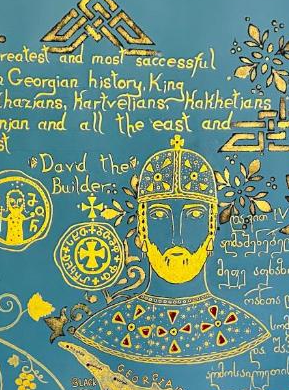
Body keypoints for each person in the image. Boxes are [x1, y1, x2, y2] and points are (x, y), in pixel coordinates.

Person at [73, 135, 269, 364]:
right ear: (142, 230)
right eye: (159, 215)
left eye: (194, 215)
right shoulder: (105, 328)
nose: (177, 238)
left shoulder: (242, 329)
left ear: (212, 230)